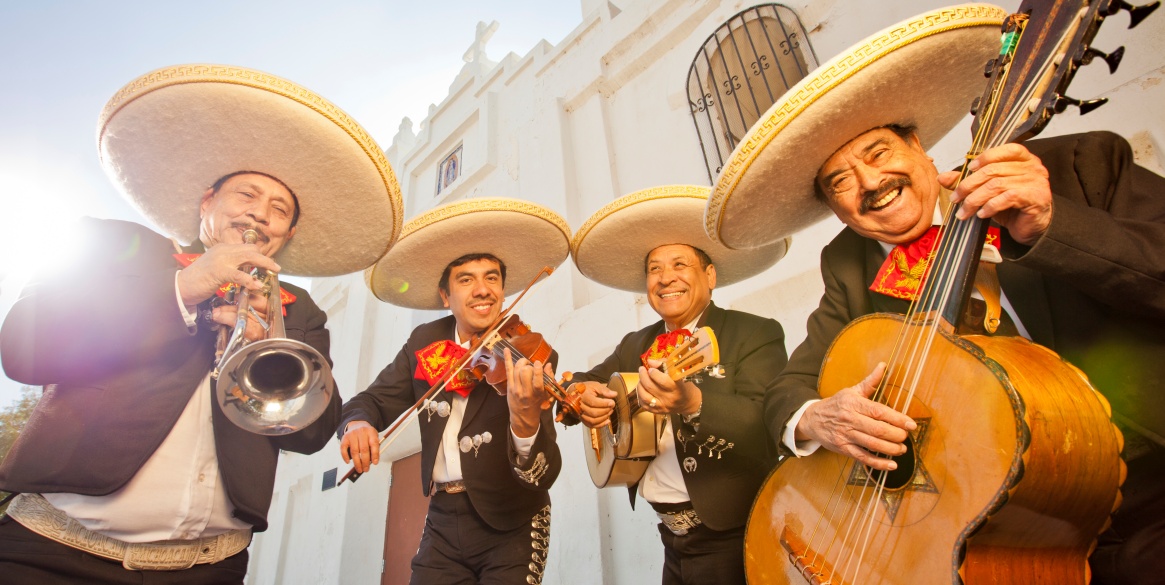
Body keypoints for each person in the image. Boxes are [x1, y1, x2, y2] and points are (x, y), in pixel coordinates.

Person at [705, 7, 1165, 583]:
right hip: (987, 532)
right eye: (840, 181)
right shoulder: (850, 264)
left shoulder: (1077, 168)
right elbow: (787, 390)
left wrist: (1055, 226)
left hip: (1149, 488)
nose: (870, 184)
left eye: (876, 153)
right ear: (834, 208)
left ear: (917, 143)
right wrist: (818, 417)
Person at [0, 64, 402, 584]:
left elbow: (313, 434)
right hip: (54, 553)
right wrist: (183, 291)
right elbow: (24, 349)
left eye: (278, 209)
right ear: (208, 202)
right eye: (246, 195)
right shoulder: (112, 245)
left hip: (212, 567)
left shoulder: (298, 308)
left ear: (288, 232)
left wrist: (269, 349)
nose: (260, 215)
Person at [340, 198, 571, 585]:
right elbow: (373, 400)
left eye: (492, 277)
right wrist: (358, 423)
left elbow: (541, 471)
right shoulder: (424, 341)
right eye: (466, 279)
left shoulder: (526, 353)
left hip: (511, 518)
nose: (483, 290)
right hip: (443, 521)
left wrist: (526, 420)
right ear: (446, 296)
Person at [566, 185, 790, 585]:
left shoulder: (754, 333)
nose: (665, 278)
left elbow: (768, 428)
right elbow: (583, 383)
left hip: (735, 534)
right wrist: (580, 396)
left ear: (710, 275)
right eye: (654, 268)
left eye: (680, 265)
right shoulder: (635, 344)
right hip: (670, 539)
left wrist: (692, 402)